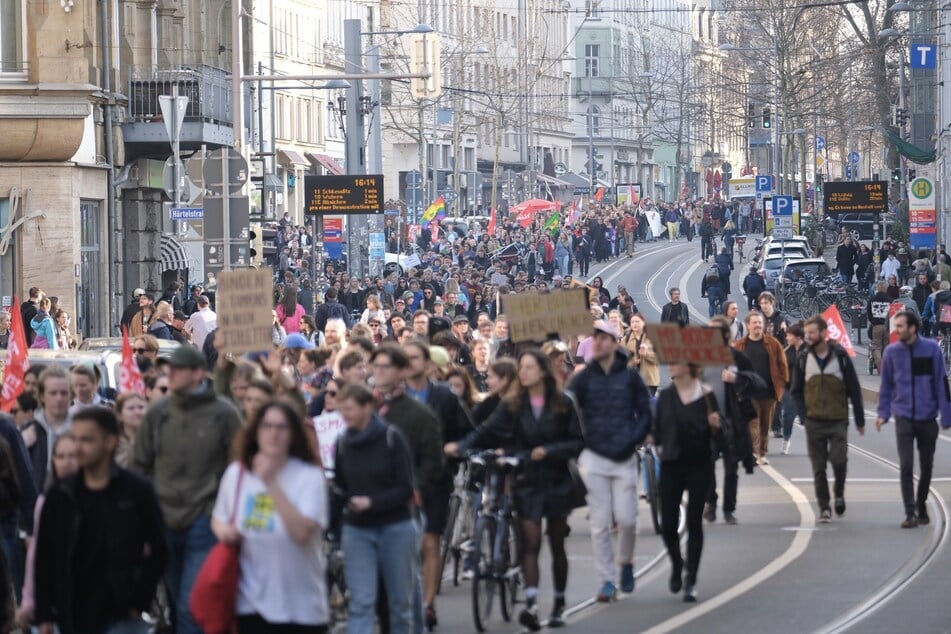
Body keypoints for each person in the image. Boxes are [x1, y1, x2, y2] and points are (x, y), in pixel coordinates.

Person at [446, 350, 584, 630]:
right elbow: (486, 430)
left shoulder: (563, 402)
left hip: (556, 479)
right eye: (522, 368)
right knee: (530, 542)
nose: (524, 373)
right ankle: (531, 603)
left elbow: (577, 442)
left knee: (557, 542)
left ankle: (558, 603)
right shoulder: (513, 404)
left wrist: (549, 451)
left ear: (543, 371)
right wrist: (461, 446)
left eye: (530, 367)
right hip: (527, 478)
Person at [133, 345, 242, 634]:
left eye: (178, 369)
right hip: (164, 519)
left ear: (197, 373)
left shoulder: (223, 413)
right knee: (174, 598)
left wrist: (224, 512)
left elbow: (238, 467)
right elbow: (140, 464)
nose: (170, 373)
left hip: (204, 518)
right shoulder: (158, 413)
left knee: (191, 603)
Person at [34, 406, 168, 634]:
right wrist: (44, 613)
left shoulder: (136, 491)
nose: (77, 447)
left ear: (110, 442)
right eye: (74, 438)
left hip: (121, 614)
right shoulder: (61, 494)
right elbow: (45, 555)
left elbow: (160, 549)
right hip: (73, 613)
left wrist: (139, 598)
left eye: (86, 440)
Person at [212, 401, 329, 632]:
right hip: (250, 603)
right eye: (267, 426)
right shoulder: (237, 474)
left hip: (301, 608)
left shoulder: (310, 477)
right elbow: (219, 518)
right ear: (256, 432)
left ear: (293, 434)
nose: (273, 434)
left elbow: (302, 533)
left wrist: (271, 482)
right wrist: (224, 532)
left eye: (281, 427)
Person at [568, 321, 652, 602]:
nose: (598, 342)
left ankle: (625, 561)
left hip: (623, 455)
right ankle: (606, 580)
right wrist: (578, 444)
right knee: (600, 523)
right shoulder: (583, 378)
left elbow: (645, 412)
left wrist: (634, 439)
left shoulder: (630, 377)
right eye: (595, 338)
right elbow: (567, 409)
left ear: (615, 344)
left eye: (604, 338)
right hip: (593, 457)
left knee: (627, 519)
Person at [402, 340, 474, 630]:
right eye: (405, 358)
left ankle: (428, 604)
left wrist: (456, 447)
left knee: (430, 540)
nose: (409, 364)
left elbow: (468, 432)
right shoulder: (393, 396)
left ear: (428, 364)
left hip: (436, 478)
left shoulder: (444, 396)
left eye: (415, 358)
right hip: (401, 481)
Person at [334, 382, 417, 634]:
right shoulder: (342, 443)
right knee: (361, 602)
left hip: (395, 527)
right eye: (341, 409)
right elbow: (340, 486)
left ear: (367, 407)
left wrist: (372, 502)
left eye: (349, 409)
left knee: (399, 604)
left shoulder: (391, 438)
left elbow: (406, 487)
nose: (344, 415)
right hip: (358, 530)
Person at [875, 311, 951, 528]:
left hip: (927, 416)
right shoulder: (892, 352)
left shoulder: (931, 349)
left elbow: (941, 383)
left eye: (900, 326)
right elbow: (886, 386)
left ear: (913, 328)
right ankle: (910, 512)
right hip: (903, 415)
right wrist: (883, 413)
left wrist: (946, 414)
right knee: (906, 465)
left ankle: (921, 502)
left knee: (926, 466)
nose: (896, 330)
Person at [653, 361, 720, 602]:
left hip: (699, 465)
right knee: (668, 525)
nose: (671, 366)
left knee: (694, 521)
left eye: (676, 362)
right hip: (671, 464)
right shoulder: (666, 396)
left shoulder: (706, 395)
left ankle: (691, 578)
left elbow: (721, 433)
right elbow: (657, 428)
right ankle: (677, 562)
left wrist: (716, 425)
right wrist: (655, 441)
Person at [790, 316, 865, 523]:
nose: (807, 337)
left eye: (811, 333)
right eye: (806, 333)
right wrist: (803, 416)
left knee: (839, 460)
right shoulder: (803, 358)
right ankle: (824, 507)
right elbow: (795, 390)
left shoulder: (840, 356)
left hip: (837, 419)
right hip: (814, 421)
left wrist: (859, 420)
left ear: (823, 333)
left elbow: (854, 389)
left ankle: (839, 493)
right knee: (819, 467)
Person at [16, 434, 78, 630]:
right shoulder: (45, 503)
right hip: (55, 598)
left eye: (72, 456)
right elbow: (36, 556)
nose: (66, 462)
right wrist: (29, 601)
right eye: (60, 456)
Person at [703, 317, 757, 525]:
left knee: (731, 468)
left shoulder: (738, 358)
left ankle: (728, 509)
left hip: (733, 421)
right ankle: (710, 501)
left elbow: (754, 382)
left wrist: (737, 379)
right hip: (707, 423)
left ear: (726, 334)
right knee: (706, 466)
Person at [734, 312, 788, 465]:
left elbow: (782, 365)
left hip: (769, 392)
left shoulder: (773, 344)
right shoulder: (740, 345)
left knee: (765, 425)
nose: (757, 325)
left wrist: (781, 385)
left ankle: (762, 453)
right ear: (748, 325)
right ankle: (754, 452)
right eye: (754, 322)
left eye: (759, 322)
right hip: (748, 393)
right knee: (753, 423)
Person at [778, 321, 805, 455]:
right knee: (788, 413)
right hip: (789, 388)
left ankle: (815, 442)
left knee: (809, 418)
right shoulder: (785, 350)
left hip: (806, 389)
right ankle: (786, 438)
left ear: (798, 337)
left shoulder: (809, 350)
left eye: (789, 335)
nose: (787, 338)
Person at [867, 281, 892, 371]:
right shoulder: (890, 300)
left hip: (876, 325)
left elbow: (869, 313)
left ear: (877, 288)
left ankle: (879, 364)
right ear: (886, 289)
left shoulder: (872, 299)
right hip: (887, 326)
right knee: (886, 346)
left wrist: (873, 321)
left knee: (876, 347)